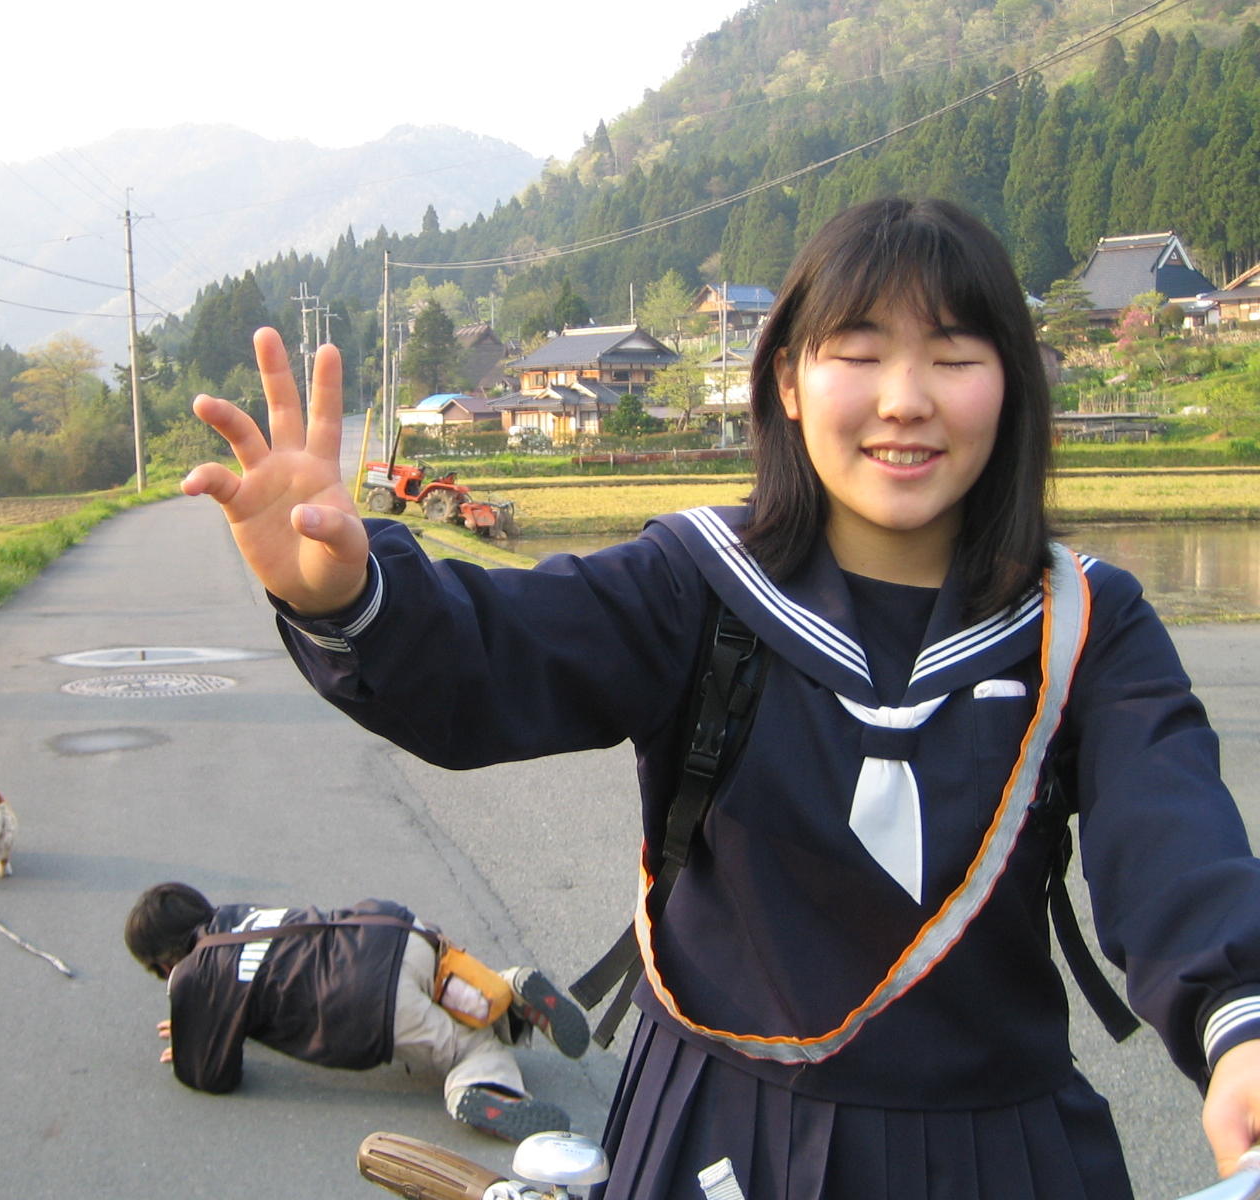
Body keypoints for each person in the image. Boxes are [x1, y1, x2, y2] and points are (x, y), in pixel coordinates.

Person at [179, 197, 1260, 1198]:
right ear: (786, 380)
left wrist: (1240, 1023)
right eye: (860, 351)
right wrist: (355, 593)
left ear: (1009, 384)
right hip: (722, 1136)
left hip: (994, 1149)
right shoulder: (698, 583)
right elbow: (496, 657)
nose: (905, 398)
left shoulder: (1082, 623)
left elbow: (1171, 835)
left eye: (952, 354)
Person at [123, 881, 590, 1142]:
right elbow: (265, 972)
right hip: (397, 933)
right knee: (462, 993)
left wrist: (194, 1027)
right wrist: (214, 1015)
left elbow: (211, 1075)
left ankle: (487, 1089)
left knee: (468, 1048)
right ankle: (511, 989)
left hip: (370, 999)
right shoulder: (235, 915)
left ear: (164, 962)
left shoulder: (194, 973)